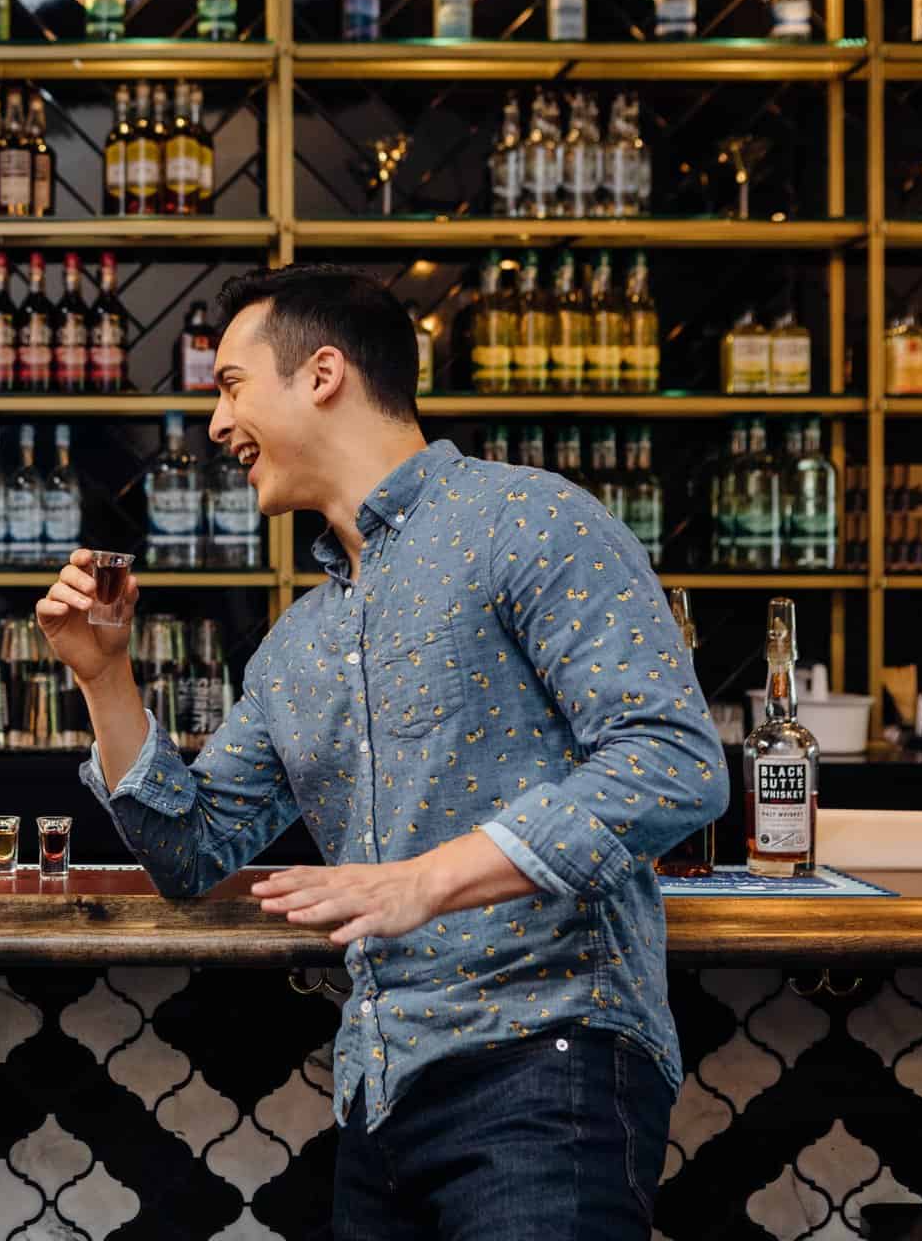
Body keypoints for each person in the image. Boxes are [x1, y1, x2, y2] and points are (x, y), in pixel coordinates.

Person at [36, 265, 726, 1239]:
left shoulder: (528, 519)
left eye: (230, 385)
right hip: (379, 1089)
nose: (217, 424)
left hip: (549, 1056)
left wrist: (428, 880)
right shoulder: (298, 644)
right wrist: (104, 678)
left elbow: (674, 761)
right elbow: (191, 851)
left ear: (323, 372)